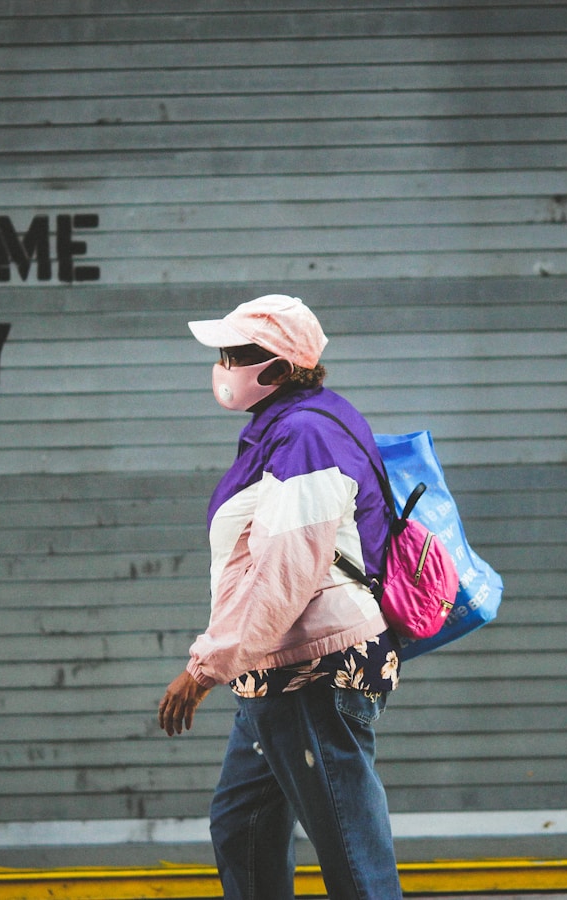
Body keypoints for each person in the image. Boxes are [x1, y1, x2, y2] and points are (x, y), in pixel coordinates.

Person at [157, 294, 404, 900]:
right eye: (223, 353)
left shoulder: (306, 436)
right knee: (243, 826)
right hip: (277, 668)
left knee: (348, 845)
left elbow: (284, 573)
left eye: (237, 354)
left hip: (314, 668)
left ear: (280, 367)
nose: (223, 365)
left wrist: (203, 666)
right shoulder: (288, 426)